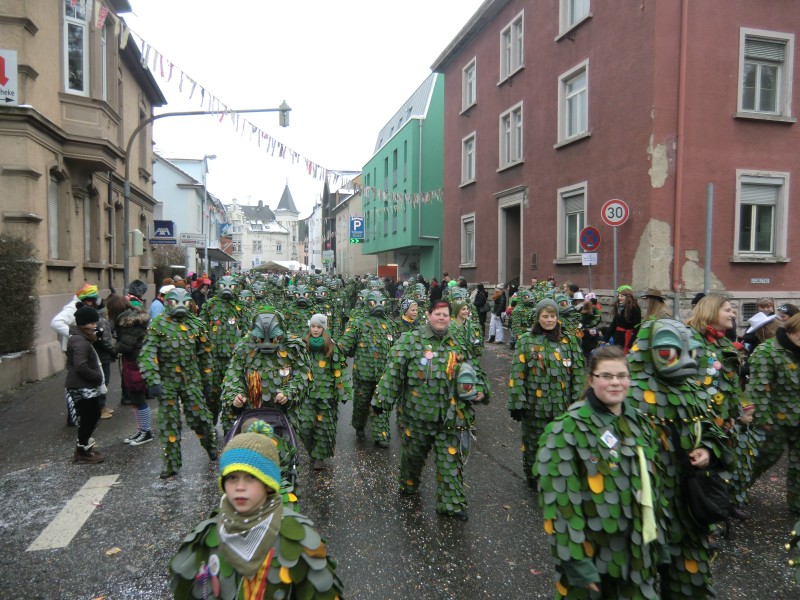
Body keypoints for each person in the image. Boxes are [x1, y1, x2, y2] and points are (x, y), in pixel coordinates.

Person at [534, 346, 666, 599]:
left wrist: (660, 543)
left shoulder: (641, 424)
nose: (616, 382)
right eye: (606, 376)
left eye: (622, 375)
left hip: (639, 556)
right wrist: (577, 564)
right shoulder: (566, 430)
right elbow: (561, 509)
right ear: (591, 379)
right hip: (592, 558)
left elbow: (654, 490)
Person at [169, 420, 343, 599]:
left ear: (268, 484)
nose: (240, 487)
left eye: (251, 477)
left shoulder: (297, 538)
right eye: (232, 477)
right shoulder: (206, 536)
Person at [628, 317, 728, 599]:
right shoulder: (626, 392)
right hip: (643, 508)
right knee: (637, 580)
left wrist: (708, 449)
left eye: (691, 354)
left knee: (690, 582)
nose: (684, 361)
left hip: (687, 507)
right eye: (668, 352)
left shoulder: (694, 392)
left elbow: (712, 430)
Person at [372, 301, 489, 520]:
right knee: (413, 456)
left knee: (449, 460)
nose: (442, 318)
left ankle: (451, 505)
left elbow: (475, 372)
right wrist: (381, 402)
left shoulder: (458, 343)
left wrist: (480, 390)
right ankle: (408, 483)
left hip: (451, 417)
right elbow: (393, 373)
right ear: (429, 315)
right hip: (417, 416)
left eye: (445, 314)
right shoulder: (410, 341)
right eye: (438, 314)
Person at [687, 294, 756, 519]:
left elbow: (731, 384)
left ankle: (718, 511)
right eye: (727, 309)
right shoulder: (690, 340)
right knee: (699, 474)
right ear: (711, 312)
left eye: (733, 309)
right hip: (696, 423)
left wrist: (735, 412)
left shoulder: (725, 343)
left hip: (721, 422)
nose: (733, 313)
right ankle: (706, 520)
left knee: (716, 469)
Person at [139, 288, 219, 478]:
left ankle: (210, 446)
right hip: (167, 382)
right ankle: (171, 464)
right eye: (176, 302)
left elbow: (205, 354)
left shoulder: (196, 325)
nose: (181, 307)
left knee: (200, 418)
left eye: (185, 302)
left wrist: (208, 380)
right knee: (169, 423)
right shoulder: (157, 325)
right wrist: (153, 379)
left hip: (191, 380)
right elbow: (148, 354)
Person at [508, 298, 585, 488]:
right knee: (533, 443)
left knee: (560, 443)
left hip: (562, 405)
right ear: (538, 317)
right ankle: (533, 476)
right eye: (545, 316)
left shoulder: (569, 341)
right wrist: (517, 402)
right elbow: (518, 373)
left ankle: (555, 475)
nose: (549, 320)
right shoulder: (526, 341)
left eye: (552, 316)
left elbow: (577, 374)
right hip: (534, 406)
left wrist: (577, 403)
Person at [749, 313, 800, 512]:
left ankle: (797, 504)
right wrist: (762, 418)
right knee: (764, 457)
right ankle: (732, 492)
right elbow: (759, 388)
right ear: (793, 331)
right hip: (775, 418)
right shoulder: (767, 351)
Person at [339, 290, 399, 447]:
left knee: (382, 404)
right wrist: (338, 360)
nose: (378, 306)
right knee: (361, 403)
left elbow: (398, 349)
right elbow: (344, 346)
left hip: (384, 375)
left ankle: (381, 434)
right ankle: (359, 424)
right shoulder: (358, 323)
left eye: (382, 302)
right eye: (373, 302)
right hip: (363, 374)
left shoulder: (390, 326)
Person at [296, 314, 351, 470]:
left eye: (319, 327)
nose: (315, 330)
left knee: (323, 427)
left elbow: (339, 369)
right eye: (313, 326)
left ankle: (318, 457)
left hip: (327, 394)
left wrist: (343, 390)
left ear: (324, 328)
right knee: (305, 426)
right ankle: (311, 450)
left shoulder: (332, 347)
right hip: (306, 393)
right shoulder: (302, 345)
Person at [106, 294, 153, 446]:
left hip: (136, 363)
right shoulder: (130, 319)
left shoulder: (128, 323)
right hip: (134, 362)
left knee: (139, 398)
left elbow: (125, 345)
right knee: (135, 399)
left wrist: (107, 346)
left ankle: (146, 432)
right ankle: (141, 430)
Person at [65, 306, 106, 464]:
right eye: (92, 322)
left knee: (91, 416)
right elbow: (80, 365)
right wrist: (96, 377)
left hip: (83, 384)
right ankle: (82, 451)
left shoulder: (79, 338)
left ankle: (83, 447)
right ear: (84, 324)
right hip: (82, 386)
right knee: (91, 416)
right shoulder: (79, 341)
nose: (95, 325)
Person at [605, 286, 642, 353]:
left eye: (622, 296)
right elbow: (614, 324)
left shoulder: (635, 308)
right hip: (617, 336)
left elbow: (637, 327)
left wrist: (631, 342)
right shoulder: (619, 308)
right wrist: (606, 338)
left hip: (627, 337)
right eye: (619, 296)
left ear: (628, 297)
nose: (619, 298)